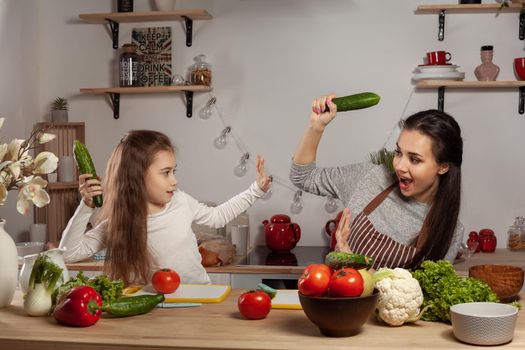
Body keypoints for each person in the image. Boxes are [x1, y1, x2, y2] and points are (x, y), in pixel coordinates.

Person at [59, 130, 271, 285]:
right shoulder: (118, 220)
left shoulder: (181, 201)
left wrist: (256, 190)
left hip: (197, 297)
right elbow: (69, 254)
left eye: (174, 171)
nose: (174, 181)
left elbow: (218, 216)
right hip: (152, 309)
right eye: (166, 172)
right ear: (137, 176)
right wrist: (86, 206)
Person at [290, 94, 464, 269]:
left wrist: (356, 267)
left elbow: (428, 294)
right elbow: (303, 177)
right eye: (398, 152)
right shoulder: (371, 178)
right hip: (338, 296)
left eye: (414, 159)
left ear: (443, 167)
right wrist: (316, 126)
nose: (400, 166)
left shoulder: (449, 230)